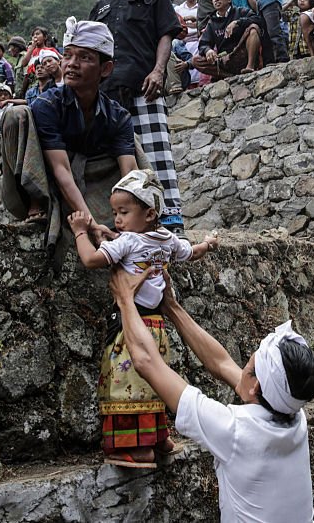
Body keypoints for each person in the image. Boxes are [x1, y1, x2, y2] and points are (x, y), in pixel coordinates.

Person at [109, 266, 314, 519]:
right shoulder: (294, 414)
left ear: (256, 385)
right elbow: (221, 364)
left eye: (250, 365)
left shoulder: (234, 430)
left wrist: (124, 299)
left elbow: (146, 361)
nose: (242, 367)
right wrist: (171, 307)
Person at [66, 169, 218, 468]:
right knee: (156, 379)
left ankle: (135, 448)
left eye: (123, 212)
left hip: (130, 326)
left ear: (149, 213)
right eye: (114, 213)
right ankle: (159, 438)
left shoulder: (129, 242)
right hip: (157, 326)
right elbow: (193, 251)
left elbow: (91, 259)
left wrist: (81, 231)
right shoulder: (166, 239)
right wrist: (209, 243)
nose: (118, 220)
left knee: (126, 382)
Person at [1, 19, 137, 247]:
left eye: (84, 58)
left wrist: (132, 220)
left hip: (93, 181)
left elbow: (129, 173)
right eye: (68, 55)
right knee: (16, 114)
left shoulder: (117, 114)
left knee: (134, 144)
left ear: (105, 69)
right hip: (48, 180)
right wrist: (91, 223)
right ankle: (39, 203)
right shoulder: (47, 104)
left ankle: (136, 217)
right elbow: (60, 169)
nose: (72, 64)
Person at [90, 0, 184, 232]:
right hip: (106, 95)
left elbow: (165, 36)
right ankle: (122, 224)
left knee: (157, 156)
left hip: (145, 87)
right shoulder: (101, 6)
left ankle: (169, 221)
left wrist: (159, 72)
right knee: (115, 159)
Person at [194, 0, 272, 76]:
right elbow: (203, 43)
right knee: (196, 60)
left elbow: (259, 20)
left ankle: (250, 67)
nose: (216, 0)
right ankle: (228, 76)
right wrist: (208, 50)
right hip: (225, 58)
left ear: (229, 0)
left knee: (253, 28)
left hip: (242, 53)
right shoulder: (212, 22)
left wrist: (238, 22)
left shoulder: (240, 12)